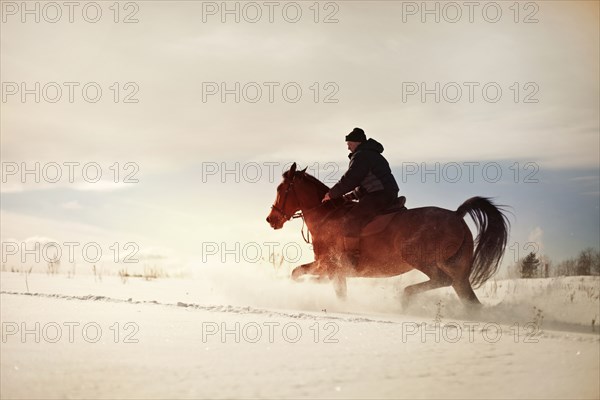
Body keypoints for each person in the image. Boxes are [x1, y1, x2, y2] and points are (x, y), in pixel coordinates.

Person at [322, 127, 399, 268]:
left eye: (349, 144)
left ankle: (352, 258)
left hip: (379, 194)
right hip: (385, 193)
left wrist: (331, 194)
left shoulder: (362, 155)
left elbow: (351, 179)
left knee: (350, 220)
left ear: (356, 142)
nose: (348, 148)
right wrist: (348, 197)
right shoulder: (371, 154)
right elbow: (366, 184)